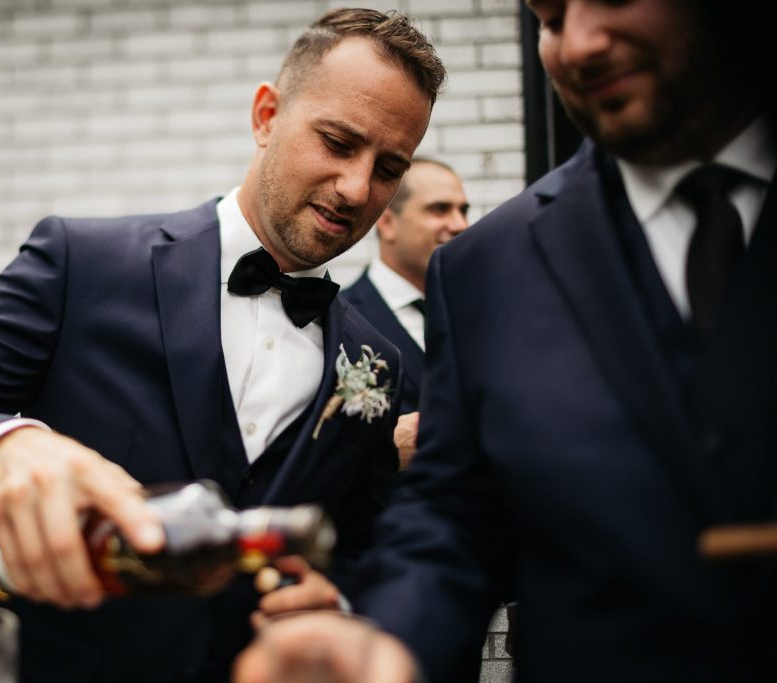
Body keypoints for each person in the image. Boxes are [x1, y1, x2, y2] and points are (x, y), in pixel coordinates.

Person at [0, 8, 446, 683]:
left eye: (388, 167)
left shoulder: (377, 363)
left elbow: (360, 544)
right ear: (267, 116)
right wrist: (1, 448)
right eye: (336, 141)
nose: (358, 189)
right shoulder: (85, 265)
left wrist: (342, 602)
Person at [234, 0, 777, 681]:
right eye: (548, 18)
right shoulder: (488, 266)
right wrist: (385, 637)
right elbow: (455, 511)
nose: (577, 44)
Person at [344, 158, 469, 417]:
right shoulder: (342, 319)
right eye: (440, 209)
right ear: (387, 223)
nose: (460, 225)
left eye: (463, 210)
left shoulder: (477, 308)